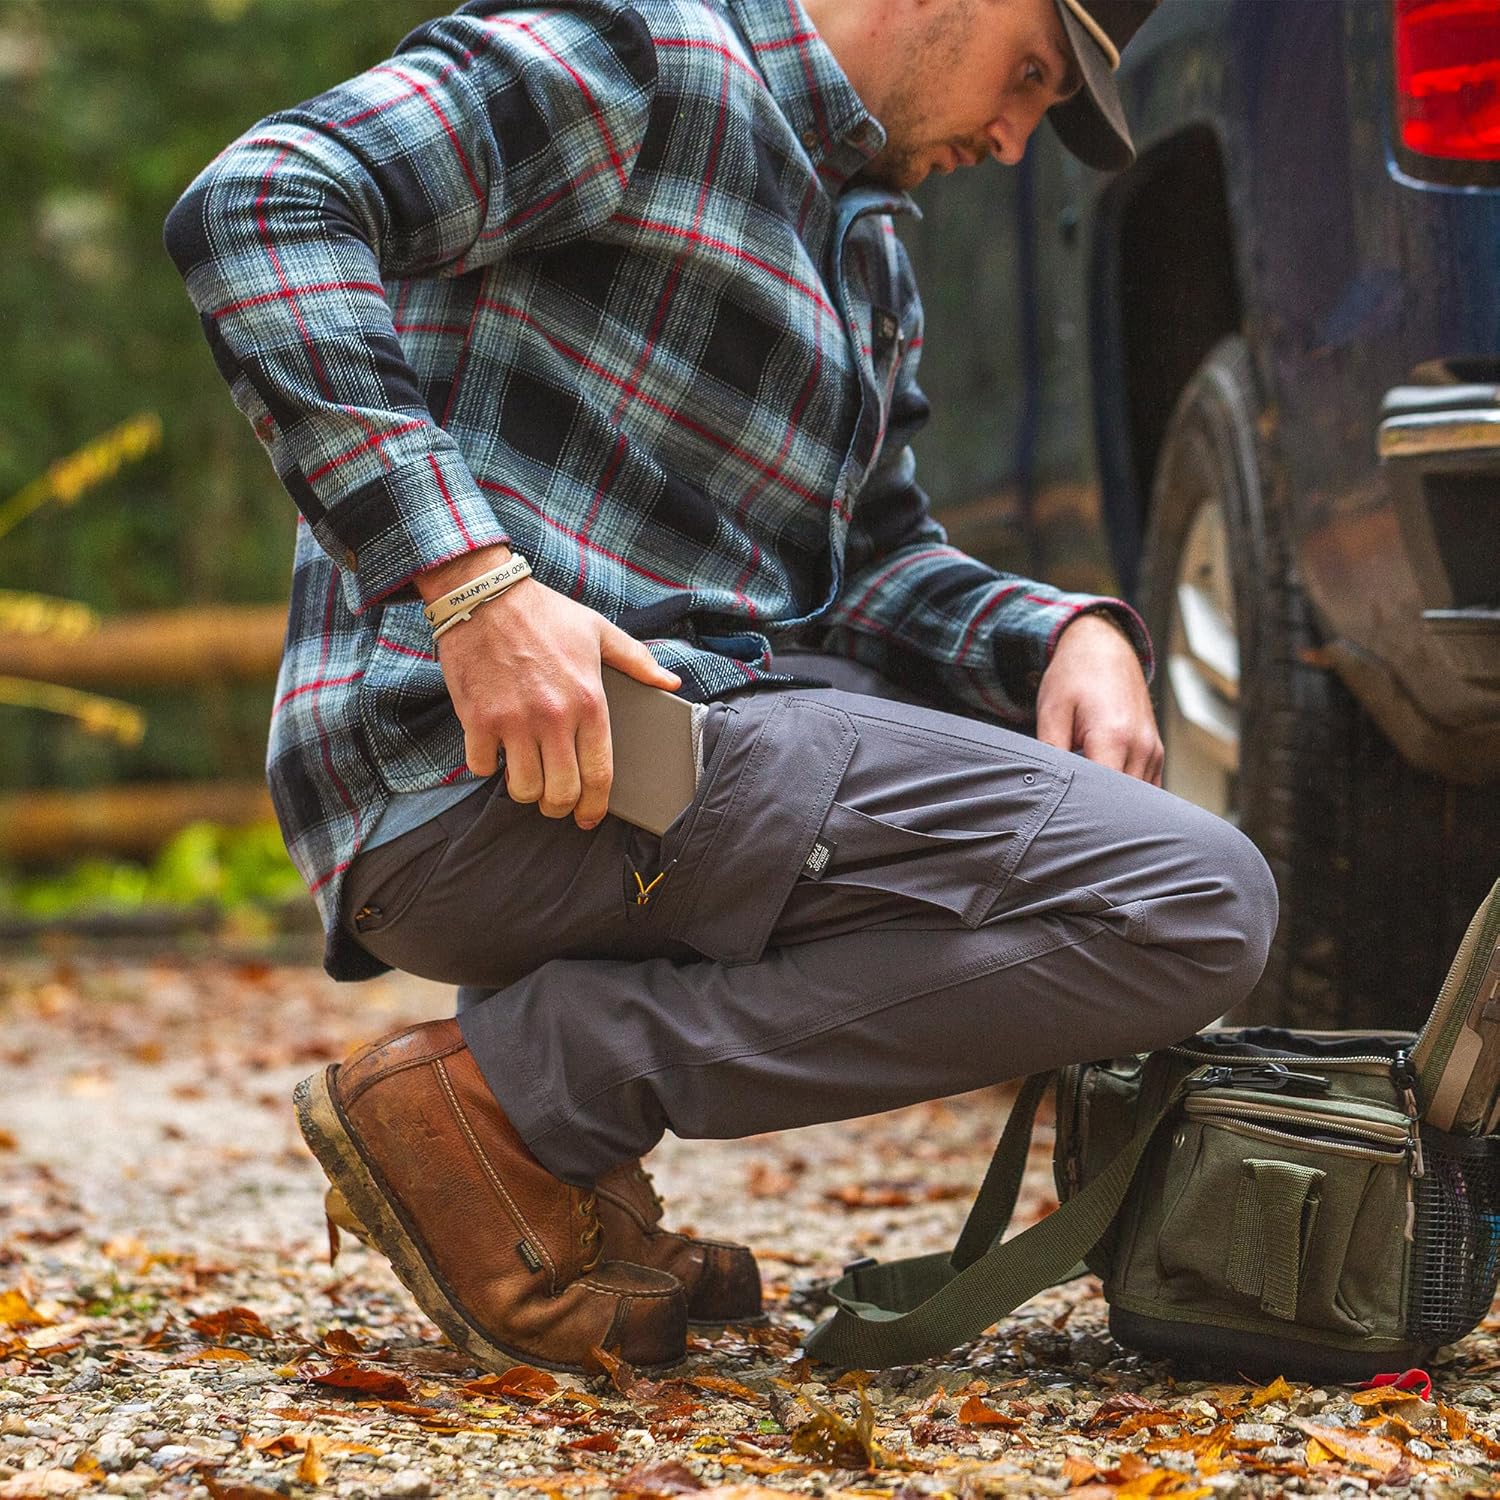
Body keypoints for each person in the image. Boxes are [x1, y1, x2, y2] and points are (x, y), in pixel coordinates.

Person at [165, 0, 1276, 1374]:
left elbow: (868, 565)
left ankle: (538, 1133)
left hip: (677, 760)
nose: (1012, 136)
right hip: (487, 757)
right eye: (1032, 75)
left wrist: (1068, 637)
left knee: (1129, 847)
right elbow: (264, 200)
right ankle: (522, 1092)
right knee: (1198, 904)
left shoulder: (865, 242)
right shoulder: (645, 55)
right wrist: (467, 579)